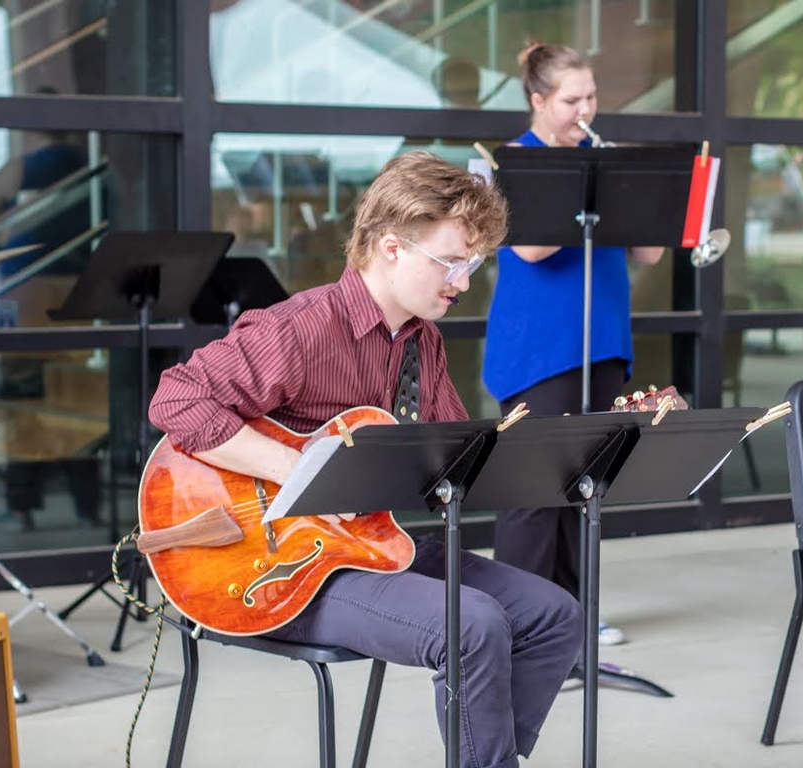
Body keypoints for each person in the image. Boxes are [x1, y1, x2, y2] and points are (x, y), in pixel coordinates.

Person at [150, 151, 582, 768]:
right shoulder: (299, 328)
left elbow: (454, 455)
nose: (461, 281)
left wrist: (553, 451)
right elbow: (177, 399)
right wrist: (296, 471)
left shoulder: (421, 342)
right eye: (450, 262)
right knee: (473, 625)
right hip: (278, 570)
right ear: (389, 247)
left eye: (471, 263)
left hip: (368, 544)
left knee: (553, 614)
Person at [481, 41, 665, 648]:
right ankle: (521, 623)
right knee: (534, 493)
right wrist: (590, 185)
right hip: (541, 346)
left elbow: (649, 252)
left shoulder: (600, 158)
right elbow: (532, 249)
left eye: (591, 97)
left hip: (603, 341)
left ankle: (576, 615)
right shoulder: (516, 160)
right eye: (571, 100)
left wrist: (641, 196)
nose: (586, 110)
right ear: (538, 100)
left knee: (586, 486)